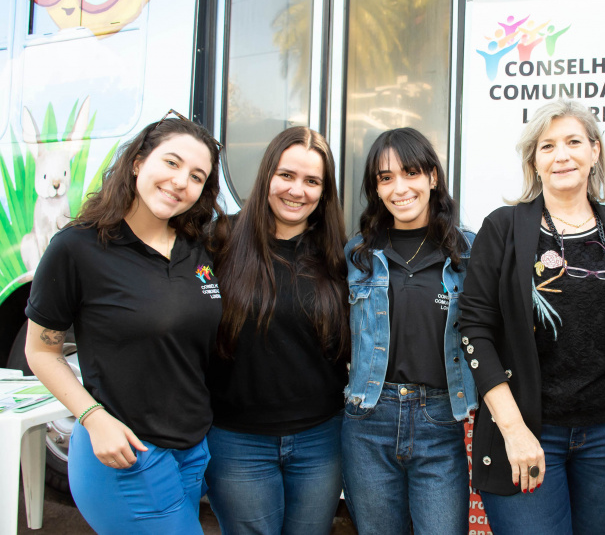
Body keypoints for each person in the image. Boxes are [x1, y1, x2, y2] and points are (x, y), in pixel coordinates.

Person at [459, 99, 605, 535]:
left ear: (595, 151)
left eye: (574, 141)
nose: (562, 155)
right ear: (534, 162)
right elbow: (475, 329)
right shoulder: (502, 229)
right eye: (547, 146)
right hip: (527, 430)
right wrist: (513, 431)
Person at [24, 110, 223, 533]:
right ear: (138, 163)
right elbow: (40, 350)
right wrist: (93, 417)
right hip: (125, 454)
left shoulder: (196, 249)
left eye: (196, 176)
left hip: (192, 452)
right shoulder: (77, 247)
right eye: (171, 163)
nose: (180, 181)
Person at [205, 127, 349, 534]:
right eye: (286, 175)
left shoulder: (339, 258)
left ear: (324, 192)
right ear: (267, 175)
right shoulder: (218, 243)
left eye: (312, 181)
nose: (297, 190)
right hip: (237, 441)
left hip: (320, 440)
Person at [342, 127, 476, 535]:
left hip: (439, 420)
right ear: (376, 189)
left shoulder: (468, 251)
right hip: (368, 419)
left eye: (411, 172)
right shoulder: (358, 252)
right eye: (386, 178)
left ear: (432, 178)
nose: (399, 187)